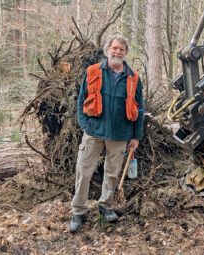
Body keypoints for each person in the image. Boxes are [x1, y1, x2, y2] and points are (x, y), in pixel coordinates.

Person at [69, 34, 144, 233]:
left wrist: (136, 137)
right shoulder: (93, 71)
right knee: (83, 172)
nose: (118, 52)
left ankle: (106, 206)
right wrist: (84, 124)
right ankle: (78, 211)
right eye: (115, 48)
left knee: (112, 174)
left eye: (121, 49)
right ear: (107, 50)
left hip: (120, 134)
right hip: (94, 132)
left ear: (126, 53)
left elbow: (140, 109)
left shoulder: (133, 77)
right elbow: (81, 99)